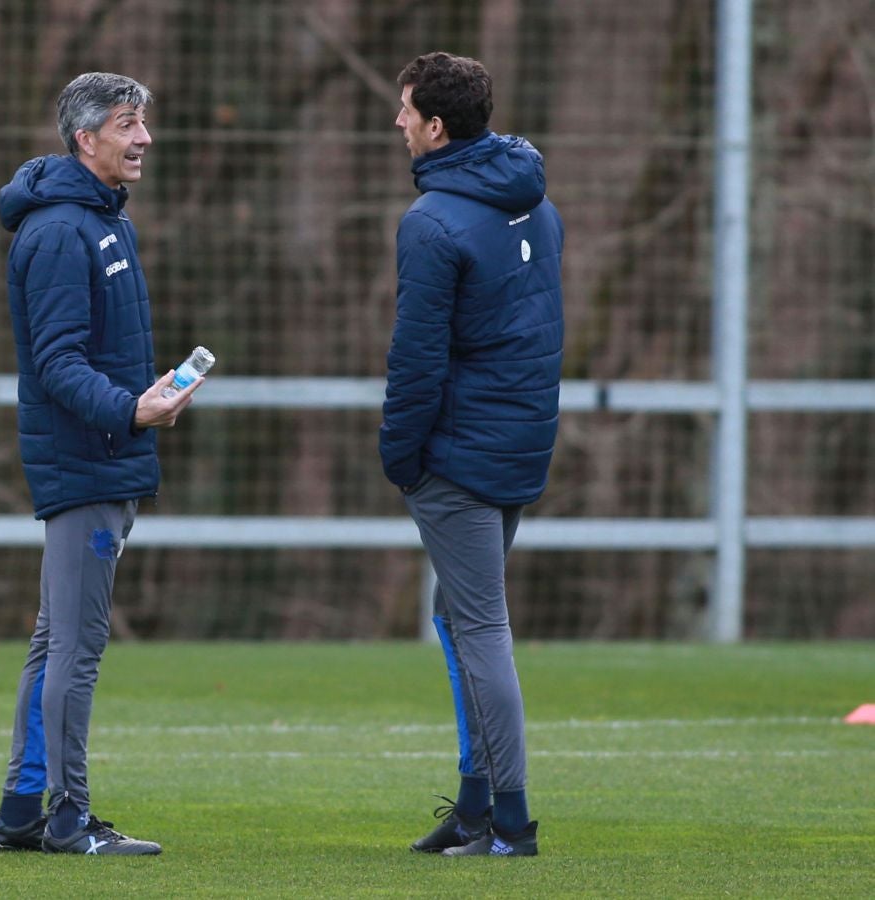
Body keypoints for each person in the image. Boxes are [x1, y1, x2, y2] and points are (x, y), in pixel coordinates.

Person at [0, 72, 201, 856]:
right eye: (126, 124)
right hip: (84, 463)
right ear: (86, 139)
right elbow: (57, 363)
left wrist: (144, 399)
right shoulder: (58, 233)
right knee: (75, 651)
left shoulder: (106, 220)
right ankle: (69, 818)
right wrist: (129, 410)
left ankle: (19, 812)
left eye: (143, 122)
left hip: (106, 456)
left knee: (54, 643)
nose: (143, 138)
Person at [380, 52, 563, 857]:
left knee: (479, 629)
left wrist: (400, 456)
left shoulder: (432, 224)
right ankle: (474, 804)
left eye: (406, 109)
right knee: (458, 618)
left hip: (460, 455)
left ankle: (512, 824)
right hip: (522, 441)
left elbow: (415, 362)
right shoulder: (535, 200)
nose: (397, 122)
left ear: (437, 127)